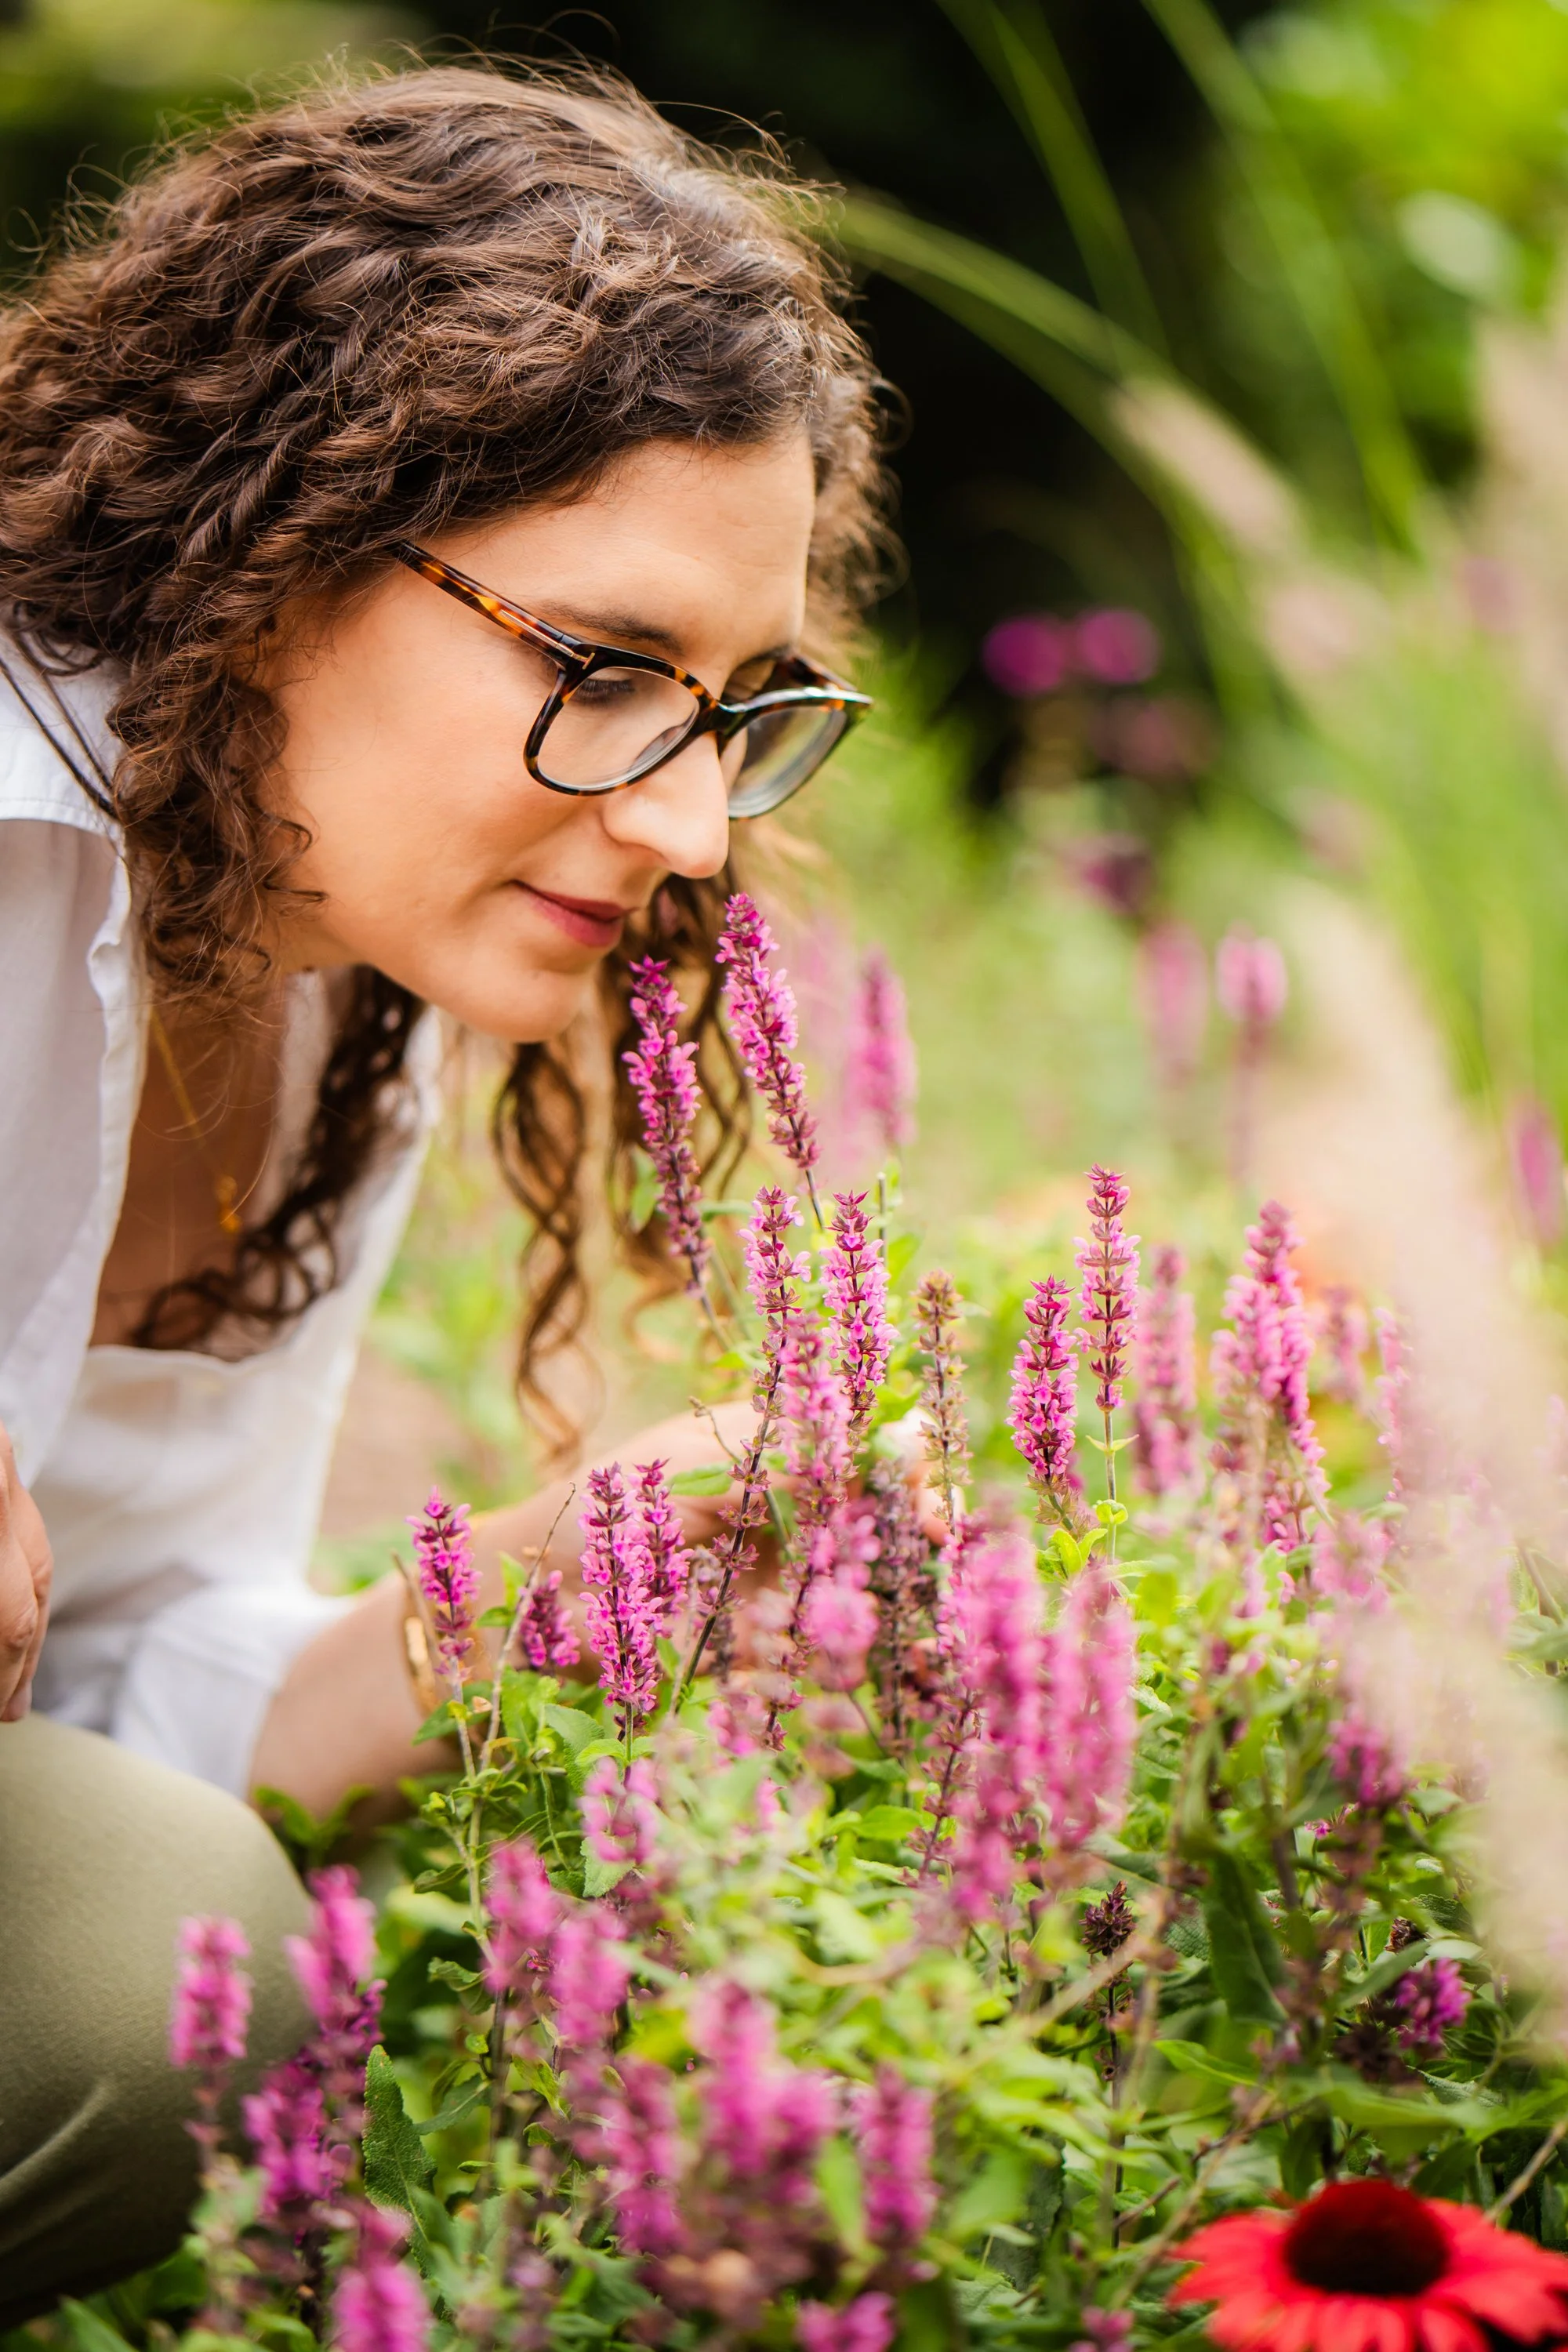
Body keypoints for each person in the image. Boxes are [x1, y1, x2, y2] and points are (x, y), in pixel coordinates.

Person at [0, 62, 884, 2318]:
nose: (691, 827)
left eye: (738, 703)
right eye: (603, 670)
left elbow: (115, 1708)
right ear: (279, 530)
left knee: (171, 1955)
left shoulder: (330, 978)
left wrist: (545, 1587)